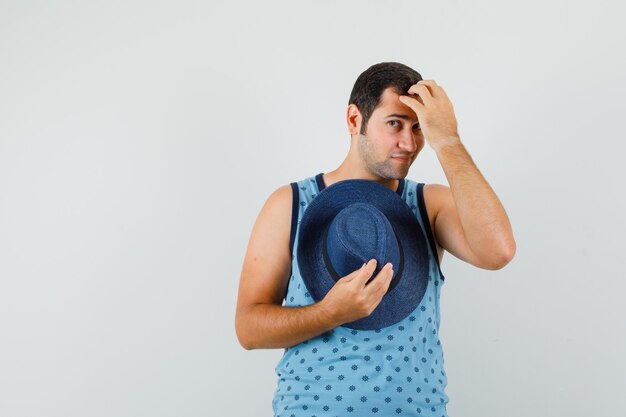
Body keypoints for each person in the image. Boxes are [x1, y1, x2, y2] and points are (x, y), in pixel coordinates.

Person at [235, 62, 516, 416]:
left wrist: (448, 139)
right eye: (395, 124)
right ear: (355, 120)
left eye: (419, 127)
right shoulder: (291, 204)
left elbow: (499, 251)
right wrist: (328, 313)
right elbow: (248, 328)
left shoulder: (429, 205)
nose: (409, 143)